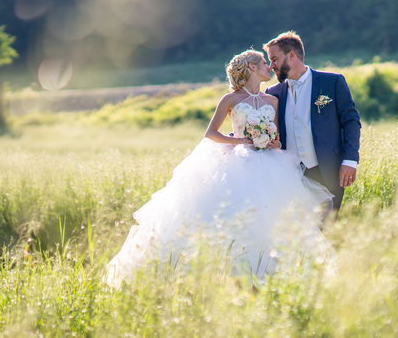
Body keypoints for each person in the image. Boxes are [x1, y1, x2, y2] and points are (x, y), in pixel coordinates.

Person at [105, 50, 334, 288]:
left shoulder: (272, 100)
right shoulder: (230, 99)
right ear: (252, 68)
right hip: (241, 161)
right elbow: (211, 133)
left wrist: (272, 142)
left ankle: (268, 275)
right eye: (264, 63)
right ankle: (222, 276)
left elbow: (275, 136)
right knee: (233, 215)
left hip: (271, 162)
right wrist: (240, 141)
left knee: (273, 216)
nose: (269, 67)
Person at [264, 31, 361, 220]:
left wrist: (350, 160)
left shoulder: (332, 82)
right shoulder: (272, 92)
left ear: (291, 55)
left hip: (327, 170)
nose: (271, 66)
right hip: (289, 175)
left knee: (328, 227)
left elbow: (351, 122)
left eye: (274, 59)